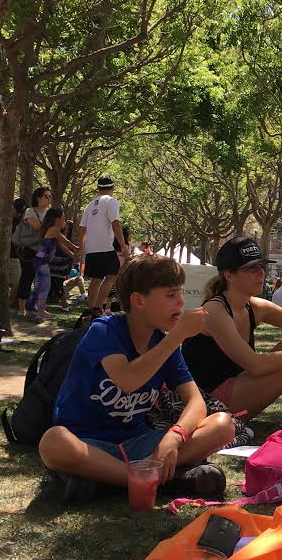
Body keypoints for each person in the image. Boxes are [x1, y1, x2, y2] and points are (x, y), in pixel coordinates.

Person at [38, 254, 234, 504]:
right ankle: (152, 479)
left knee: (222, 425)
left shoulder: (163, 343)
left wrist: (175, 436)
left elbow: (196, 402)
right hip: (87, 444)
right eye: (171, 295)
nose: (181, 302)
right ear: (138, 301)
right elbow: (128, 380)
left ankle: (111, 480)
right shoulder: (104, 331)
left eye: (180, 294)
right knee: (53, 442)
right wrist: (178, 335)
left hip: (139, 445)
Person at [180, 236, 282, 419]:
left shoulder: (255, 306)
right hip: (207, 402)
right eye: (251, 268)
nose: (260, 273)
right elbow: (256, 366)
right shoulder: (215, 310)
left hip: (238, 385)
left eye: (261, 267)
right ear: (229, 275)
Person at [76, 176, 128, 311]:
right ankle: (98, 308)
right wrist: (123, 245)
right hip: (106, 247)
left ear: (98, 189)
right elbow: (116, 223)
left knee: (96, 278)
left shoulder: (90, 205)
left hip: (91, 249)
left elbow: (82, 228)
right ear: (113, 188)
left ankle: (91, 310)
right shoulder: (112, 201)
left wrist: (81, 247)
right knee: (112, 276)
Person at [28, 208, 77, 320]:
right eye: (63, 217)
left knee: (40, 286)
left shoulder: (52, 230)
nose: (64, 219)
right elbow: (66, 241)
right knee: (45, 286)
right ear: (57, 218)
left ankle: (32, 308)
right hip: (42, 262)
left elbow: (62, 246)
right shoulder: (54, 229)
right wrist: (76, 248)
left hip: (41, 261)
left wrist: (73, 255)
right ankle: (40, 311)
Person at [14, 187, 52, 316]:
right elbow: (38, 228)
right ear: (38, 198)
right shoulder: (30, 211)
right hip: (29, 249)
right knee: (27, 276)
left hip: (42, 250)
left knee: (42, 278)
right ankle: (22, 308)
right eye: (46, 196)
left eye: (50, 196)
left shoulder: (48, 213)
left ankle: (37, 307)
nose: (49, 199)